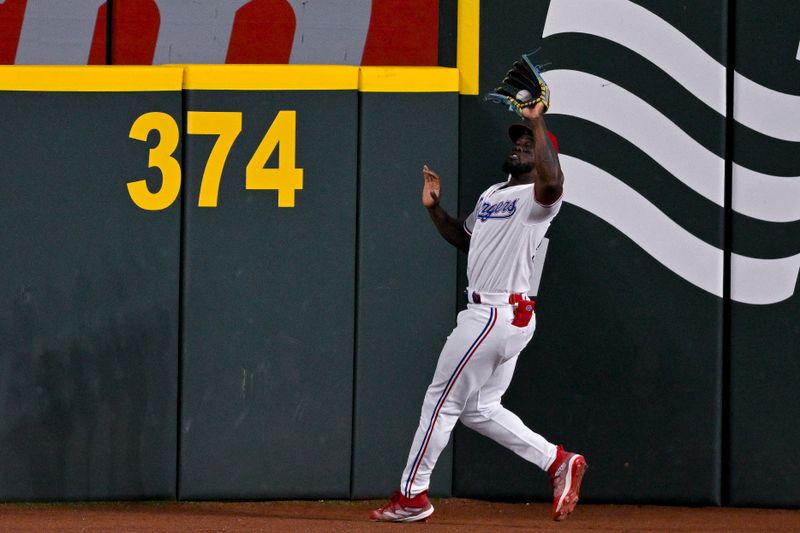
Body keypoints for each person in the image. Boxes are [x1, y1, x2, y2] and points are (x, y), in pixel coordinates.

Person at [369, 102, 586, 523]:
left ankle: (412, 496)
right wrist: (435, 209)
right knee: (478, 409)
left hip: (494, 315)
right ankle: (558, 461)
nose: (521, 145)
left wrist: (537, 121)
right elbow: (466, 238)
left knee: (440, 403)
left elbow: (552, 180)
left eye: (529, 144)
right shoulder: (492, 194)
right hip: (500, 316)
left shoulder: (539, 198)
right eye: (519, 141)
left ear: (544, 157)